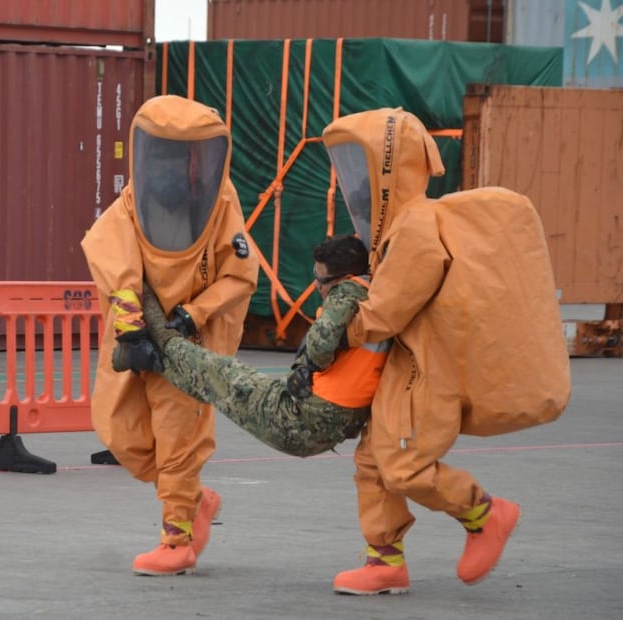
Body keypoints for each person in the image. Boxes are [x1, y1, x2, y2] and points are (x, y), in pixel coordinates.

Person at [321, 107, 571, 595]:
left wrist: (333, 331)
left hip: (426, 373)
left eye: (363, 168)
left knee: (403, 464)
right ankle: (384, 561)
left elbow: (385, 311)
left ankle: (484, 514)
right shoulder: (399, 227)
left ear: (389, 167)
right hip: (405, 367)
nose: (357, 186)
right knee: (373, 460)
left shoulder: (415, 227)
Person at [81, 95, 259, 577]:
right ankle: (195, 499)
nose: (169, 166)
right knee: (123, 434)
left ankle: (176, 539)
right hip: (139, 339)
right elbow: (113, 261)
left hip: (188, 346)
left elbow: (240, 274)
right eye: (161, 153)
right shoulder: (131, 204)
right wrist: (131, 328)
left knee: (178, 439)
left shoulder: (220, 203)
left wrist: (192, 315)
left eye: (180, 155)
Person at [139, 234, 389, 458]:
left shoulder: (347, 292)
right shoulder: (378, 296)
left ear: (344, 278)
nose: (316, 286)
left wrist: (308, 364)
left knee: (221, 373)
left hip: (305, 419)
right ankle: (155, 358)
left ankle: (150, 308)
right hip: (337, 422)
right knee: (213, 384)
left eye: (321, 279)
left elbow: (319, 347)